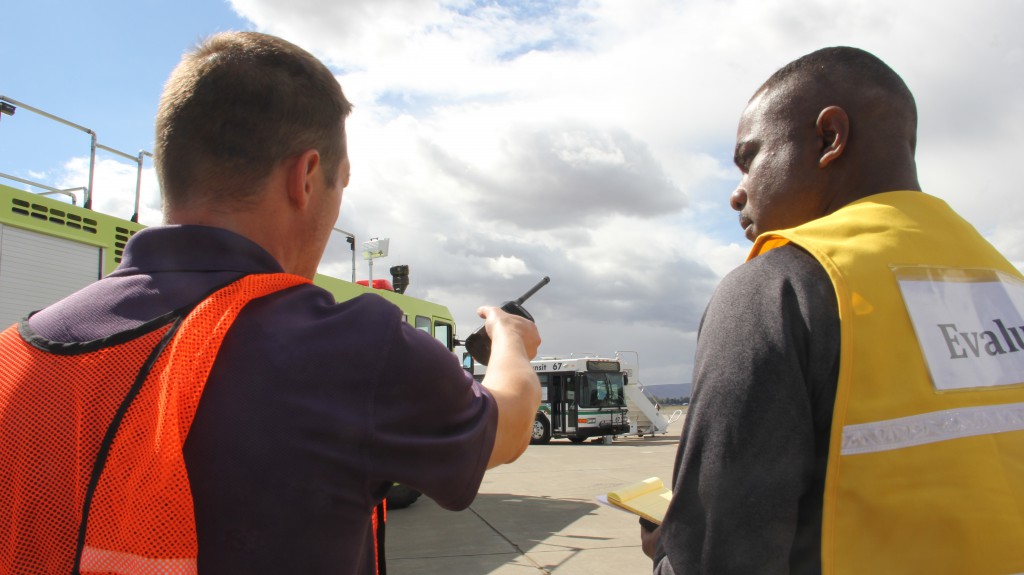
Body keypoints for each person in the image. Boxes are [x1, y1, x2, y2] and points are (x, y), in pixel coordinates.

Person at [0, 32, 541, 574]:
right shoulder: (351, 348)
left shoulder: (12, 359)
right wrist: (510, 339)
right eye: (340, 184)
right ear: (305, 178)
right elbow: (510, 424)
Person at [643, 46, 1024, 574]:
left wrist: (669, 549)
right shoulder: (1008, 283)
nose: (737, 194)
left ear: (829, 138)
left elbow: (718, 560)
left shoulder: (780, 287)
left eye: (749, 158)